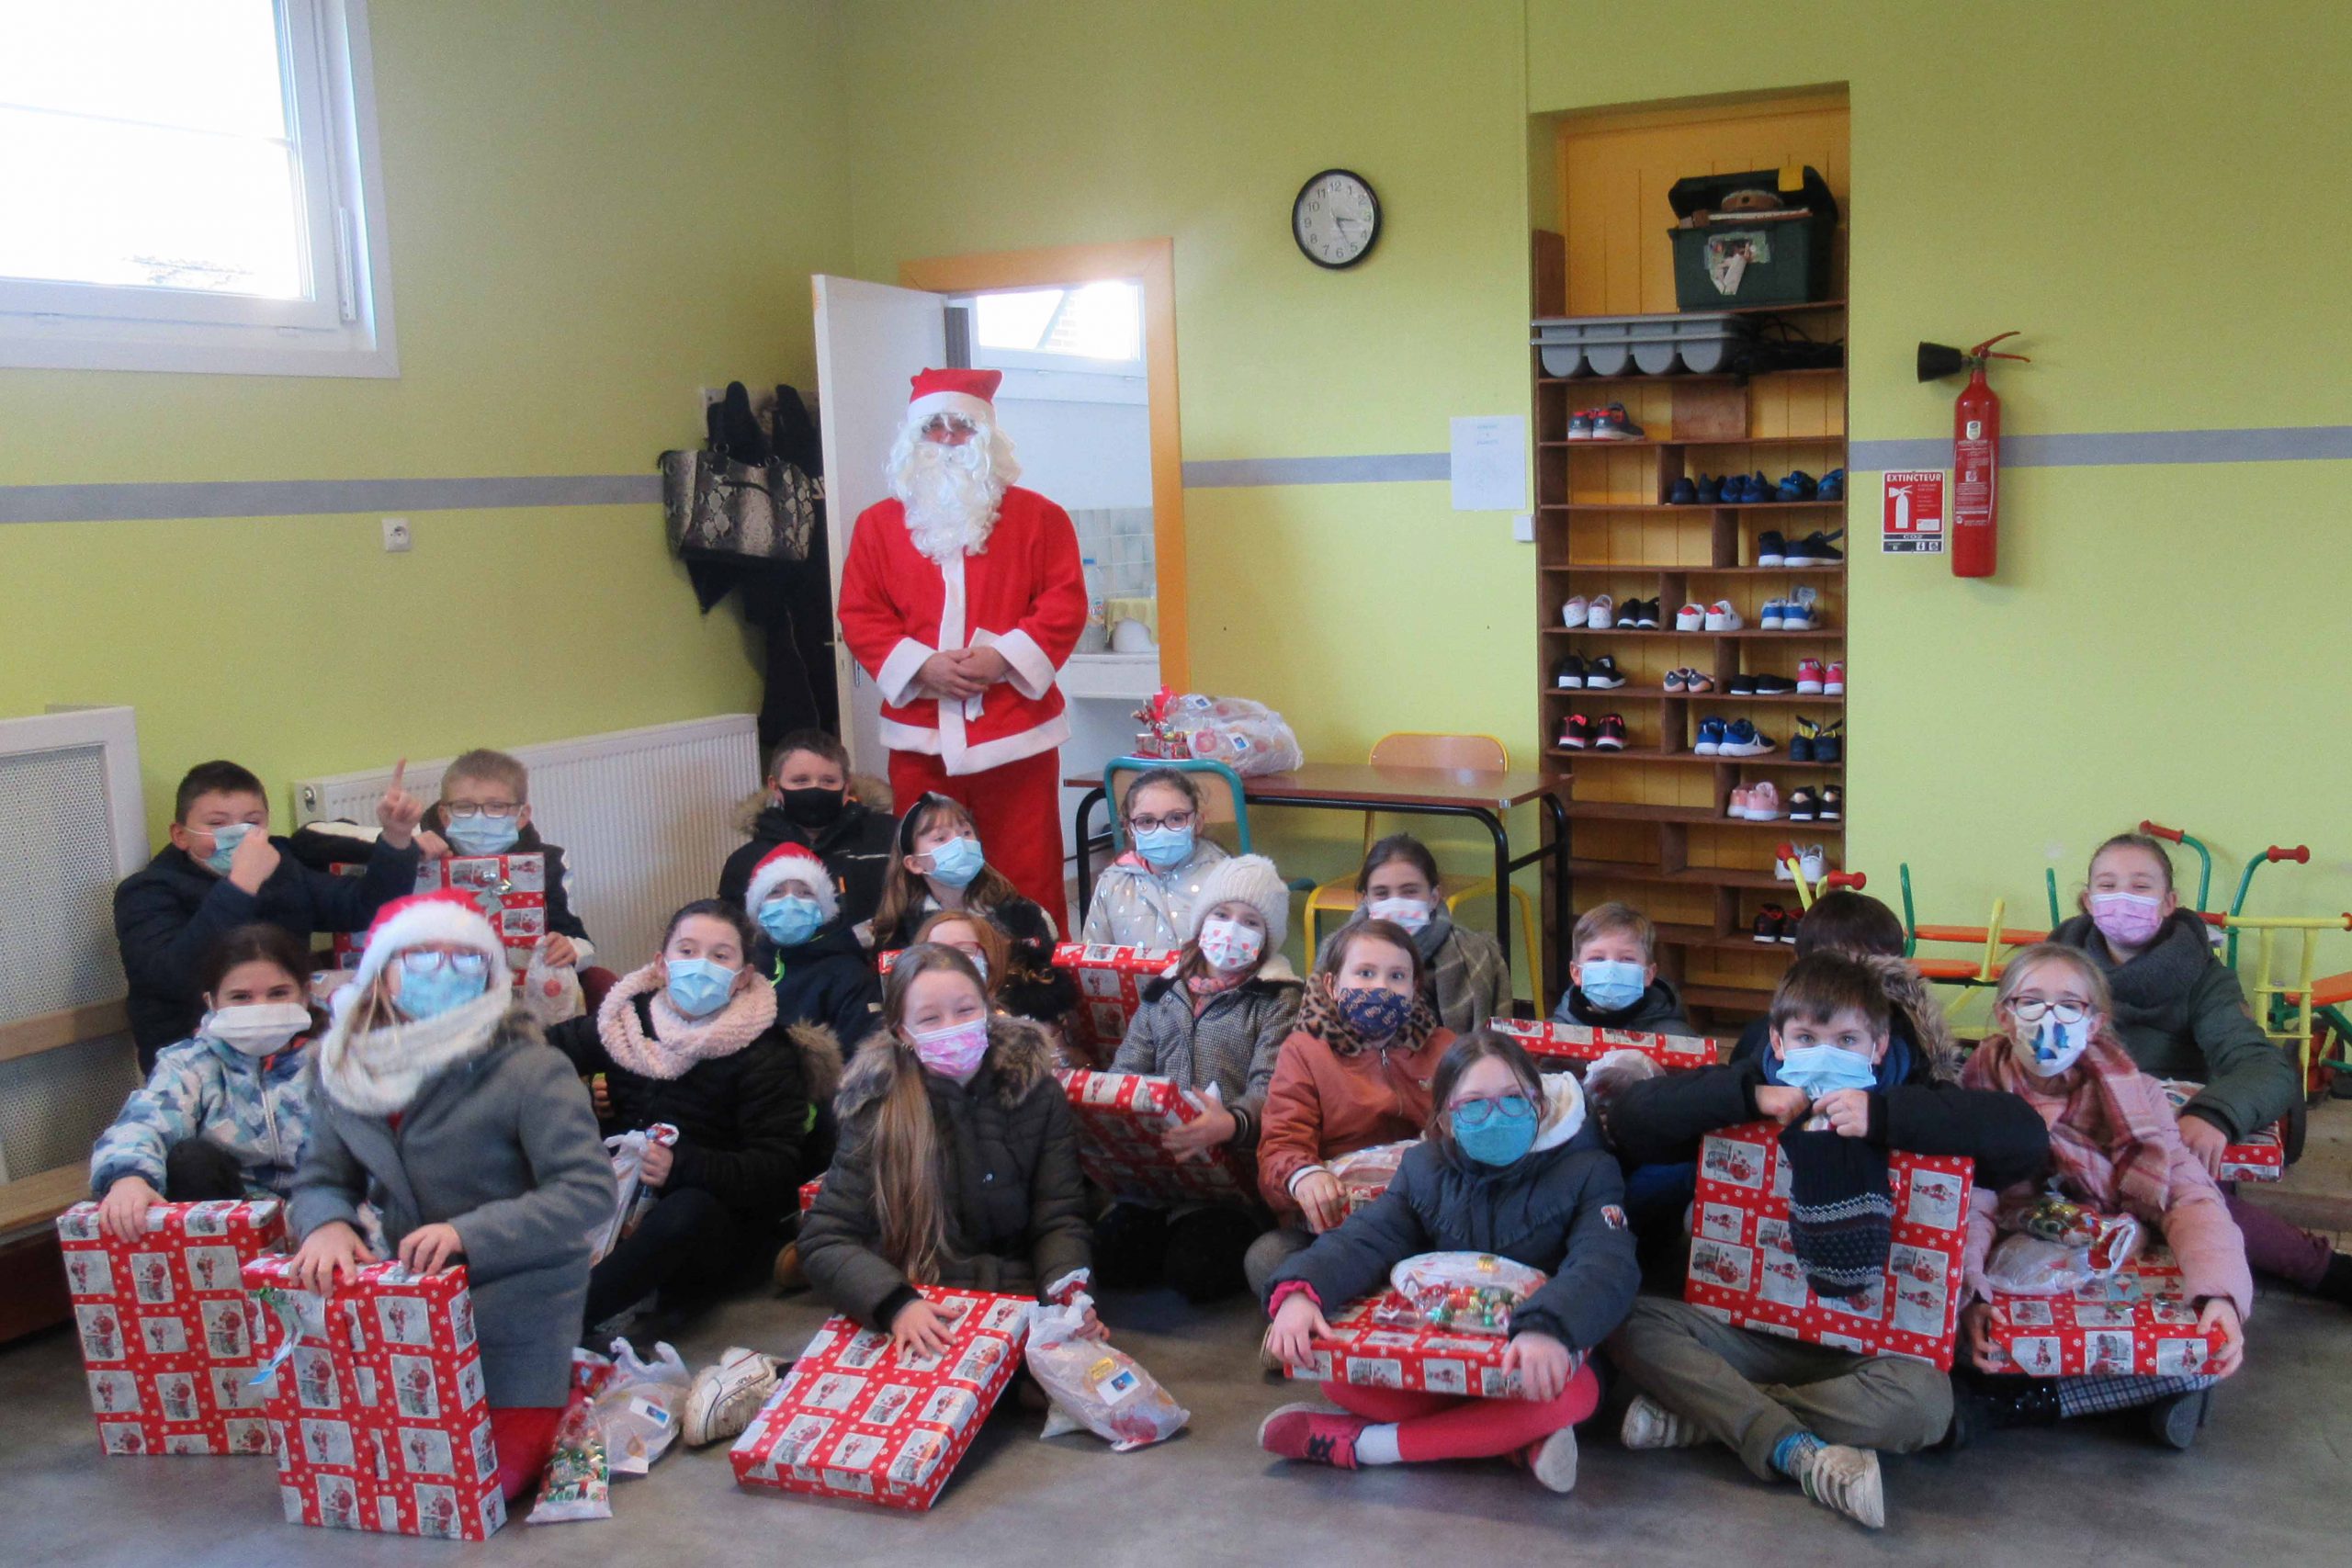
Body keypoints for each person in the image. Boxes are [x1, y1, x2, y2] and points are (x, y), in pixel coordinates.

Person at [1601, 953, 2050, 1531]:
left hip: (1869, 1352)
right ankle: (1775, 1432)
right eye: (1807, 1038)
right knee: (1628, 1319)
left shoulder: (1916, 1093)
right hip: (1744, 1332)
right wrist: (1749, 1097)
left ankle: (1716, 1417)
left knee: (1927, 1406)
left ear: (1878, 1046)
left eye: (1846, 1040)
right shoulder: (1752, 1080)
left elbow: (2025, 1140)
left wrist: (1883, 1115)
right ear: (1779, 1041)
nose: (1826, 1053)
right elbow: (1630, 1122)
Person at [287, 890, 614, 1502]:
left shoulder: (528, 1068)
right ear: (382, 972)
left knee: (480, 1484)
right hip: (408, 1306)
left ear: (490, 975)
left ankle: (563, 1388)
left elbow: (589, 1191)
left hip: (519, 1298)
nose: (443, 969)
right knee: (382, 1477)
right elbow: (320, 1178)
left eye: (465, 957)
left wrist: (469, 1233)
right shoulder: (346, 1071)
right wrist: (326, 1223)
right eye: (421, 955)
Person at [1258, 1032, 1638, 1492]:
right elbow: (1366, 1237)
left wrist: (1550, 1327)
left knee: (1571, 1397)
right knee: (1339, 1378)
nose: (1496, 1115)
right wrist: (1302, 1290)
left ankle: (1364, 1445)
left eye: (1514, 1098)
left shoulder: (1590, 1170)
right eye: (1473, 1104)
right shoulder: (1423, 1168)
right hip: (1446, 1356)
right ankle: (1509, 1439)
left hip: (1541, 1356)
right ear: (1446, 1120)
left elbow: (1606, 1262)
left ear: (1538, 1104)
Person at [1952, 943, 2249, 1448]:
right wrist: (1971, 1296)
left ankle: (2023, 1402)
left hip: (2118, 1257)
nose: (2050, 1019)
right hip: (2015, 1265)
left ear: (2095, 1023)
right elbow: (1971, 1205)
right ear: (2004, 1015)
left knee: (2208, 1350)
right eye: (2031, 1001)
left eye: (2069, 1005)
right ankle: (2113, 1398)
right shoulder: (1972, 1094)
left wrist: (2220, 1295)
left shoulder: (2137, 1094)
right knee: (1957, 1332)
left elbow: (2190, 1197)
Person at [833, 367, 1089, 924]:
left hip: (1016, 733)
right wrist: (921, 665)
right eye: (935, 426)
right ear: (914, 437)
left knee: (1028, 873)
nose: (948, 439)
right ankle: (932, 975)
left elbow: (1064, 603)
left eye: (962, 427)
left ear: (987, 437)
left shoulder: (1041, 518)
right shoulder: (877, 526)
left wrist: (1004, 658)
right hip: (919, 737)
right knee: (926, 875)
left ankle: (1038, 977)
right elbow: (860, 612)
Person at [2051, 832, 2347, 1305]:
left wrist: (2213, 1114)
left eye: (2141, 886)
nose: (2122, 899)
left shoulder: (2203, 978)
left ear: (2169, 903)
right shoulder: (2054, 970)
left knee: (2196, 1213)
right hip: (2075, 1144)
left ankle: (2325, 1270)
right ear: (2088, 900)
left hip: (2171, 1150)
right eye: (2107, 886)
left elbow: (2264, 1067)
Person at [546, 898, 842, 1349]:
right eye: (687, 951)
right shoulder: (626, 1022)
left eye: (720, 956)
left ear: (742, 976)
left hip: (711, 1223)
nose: (701, 965)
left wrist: (681, 1165)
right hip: (615, 1198)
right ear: (662, 964)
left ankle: (558, 1323)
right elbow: (541, 1055)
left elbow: (775, 1169)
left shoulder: (766, 1051)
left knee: (685, 1212)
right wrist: (582, 1101)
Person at [798, 945, 1105, 1348]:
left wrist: (1067, 1296)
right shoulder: (878, 1106)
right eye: (930, 1018)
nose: (952, 1027)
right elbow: (824, 1238)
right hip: (919, 1291)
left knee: (1088, 1366)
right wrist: (895, 1304)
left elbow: (1059, 1218)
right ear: (903, 1032)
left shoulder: (1037, 1092)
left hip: (1019, 1293)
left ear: (988, 1010)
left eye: (965, 1010)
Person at [114, 758, 425, 1066]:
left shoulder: (282, 866)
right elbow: (173, 978)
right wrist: (241, 884)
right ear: (180, 835)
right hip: (195, 1059)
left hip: (289, 1044)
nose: (237, 835)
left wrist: (396, 839)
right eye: (217, 824)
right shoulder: (146, 891)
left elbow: (365, 907)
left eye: (251, 823)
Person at [1097, 854, 1305, 1301]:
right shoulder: (1164, 989)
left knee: (1195, 1272)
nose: (1232, 929)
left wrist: (1233, 1122)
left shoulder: (1278, 999)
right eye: (1221, 914)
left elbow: (1273, 1087)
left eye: (1250, 922)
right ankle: (1166, 1226)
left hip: (1236, 1180)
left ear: (1267, 937)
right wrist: (1117, 1109)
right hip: (1161, 1176)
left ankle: (1220, 1234)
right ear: (1202, 920)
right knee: (1110, 1257)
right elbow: (1128, 1065)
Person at [1248, 919, 1458, 1294]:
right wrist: (1303, 1175)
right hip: (1339, 1222)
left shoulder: (1444, 1047)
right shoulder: (1304, 1051)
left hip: (1426, 1212)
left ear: (1414, 988)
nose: (1381, 987)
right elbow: (1281, 1140)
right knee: (1269, 1258)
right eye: (1365, 973)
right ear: (1332, 984)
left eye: (1397, 976)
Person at [91, 924, 321, 1240]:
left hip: (328, 1218)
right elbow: (144, 1120)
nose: (261, 1008)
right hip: (234, 1223)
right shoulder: (190, 1063)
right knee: (191, 1160)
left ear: (305, 994)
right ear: (212, 1002)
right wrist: (128, 1176)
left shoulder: (336, 1060)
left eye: (278, 993)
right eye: (241, 997)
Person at [871, 793, 1074, 1032]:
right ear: (914, 863)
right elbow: (895, 1013)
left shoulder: (1024, 915)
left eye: (966, 833)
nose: (960, 844)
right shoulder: (897, 932)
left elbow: (1056, 996)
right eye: (941, 838)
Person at [1311, 833, 1510, 1033]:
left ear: (1434, 897)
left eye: (1409, 891)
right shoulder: (1337, 951)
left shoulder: (1474, 955)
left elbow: (1497, 1042)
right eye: (1382, 894)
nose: (1395, 903)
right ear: (1367, 900)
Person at [420, 748, 594, 966]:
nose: (479, 818)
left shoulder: (549, 862)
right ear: (445, 816)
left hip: (526, 981)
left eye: (496, 807)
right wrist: (405, 854)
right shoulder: (423, 864)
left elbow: (580, 941)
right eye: (464, 807)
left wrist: (572, 949)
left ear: (522, 815)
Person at [718, 729, 898, 935]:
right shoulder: (746, 862)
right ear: (775, 786)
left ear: (846, 786)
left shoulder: (888, 837)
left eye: (828, 781)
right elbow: (734, 935)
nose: (815, 789)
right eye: (800, 780)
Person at [741, 842, 882, 1045]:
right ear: (757, 907)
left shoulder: (848, 974)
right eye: (776, 892)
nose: (790, 902)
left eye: (805, 893)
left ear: (822, 908)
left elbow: (863, 1052)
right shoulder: (745, 967)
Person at [1079, 767, 1229, 950]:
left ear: (1197, 823)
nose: (1161, 830)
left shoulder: (1225, 880)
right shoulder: (1113, 883)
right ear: (1130, 830)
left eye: (1176, 818)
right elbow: (1093, 955)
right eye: (1147, 821)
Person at [1550, 900, 1696, 1035]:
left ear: (1648, 974)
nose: (1611, 970)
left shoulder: (1676, 1038)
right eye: (1598, 958)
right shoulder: (1555, 1034)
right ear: (1576, 972)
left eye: (1627, 959)